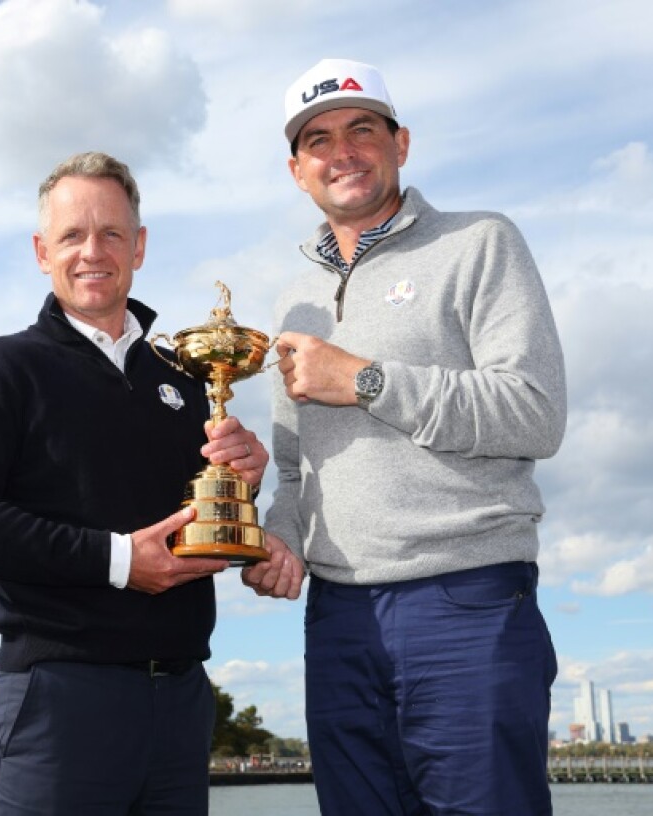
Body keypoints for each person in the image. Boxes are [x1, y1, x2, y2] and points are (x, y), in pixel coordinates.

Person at [243, 59, 567, 815]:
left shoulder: (482, 242)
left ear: (402, 143)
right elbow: (297, 472)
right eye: (318, 140)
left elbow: (534, 412)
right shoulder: (296, 300)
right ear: (297, 171)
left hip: (465, 600)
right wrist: (277, 538)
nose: (342, 151)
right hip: (338, 617)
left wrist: (365, 380)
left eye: (363, 129)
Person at [0, 151, 269, 815]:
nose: (92, 252)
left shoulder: (189, 380)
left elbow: (191, 527)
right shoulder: (2, 368)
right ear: (41, 251)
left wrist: (245, 482)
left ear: (138, 247)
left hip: (183, 700)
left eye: (111, 233)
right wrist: (120, 561)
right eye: (72, 235)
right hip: (57, 699)